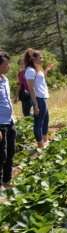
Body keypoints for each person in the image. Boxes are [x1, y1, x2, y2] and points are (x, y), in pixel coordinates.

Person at [24, 48, 53, 148]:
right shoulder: (30, 71)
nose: (42, 59)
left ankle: (45, 141)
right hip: (38, 98)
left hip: (43, 97)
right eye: (40, 57)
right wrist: (35, 105)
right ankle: (40, 145)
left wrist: (47, 70)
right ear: (33, 59)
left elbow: (41, 80)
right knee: (38, 123)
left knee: (45, 119)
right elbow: (31, 88)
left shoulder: (37, 68)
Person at [0, 52, 16, 191]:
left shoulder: (5, 79)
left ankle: (7, 180)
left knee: (11, 151)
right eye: (6, 64)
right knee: (1, 154)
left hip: (10, 121)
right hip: (0, 123)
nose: (8, 66)